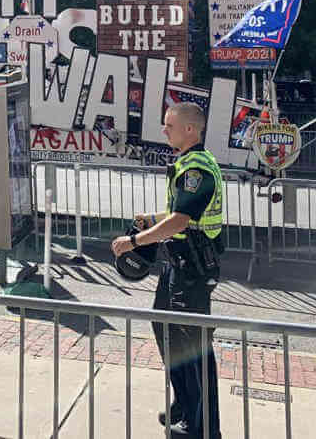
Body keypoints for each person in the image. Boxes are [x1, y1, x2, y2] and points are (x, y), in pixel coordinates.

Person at [112, 101, 223, 439]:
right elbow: (176, 216)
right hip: (177, 265)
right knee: (168, 334)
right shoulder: (187, 163)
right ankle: (186, 402)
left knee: (192, 346)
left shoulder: (197, 170)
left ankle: (202, 426)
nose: (164, 130)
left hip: (192, 269)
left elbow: (181, 220)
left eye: (169, 125)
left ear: (190, 129)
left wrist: (134, 241)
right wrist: (150, 220)